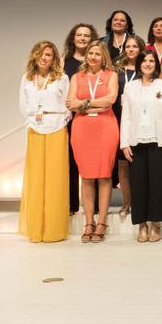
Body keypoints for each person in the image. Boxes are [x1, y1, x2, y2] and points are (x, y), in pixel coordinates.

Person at [119, 51, 162, 243]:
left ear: (156, 64)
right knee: (139, 185)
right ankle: (142, 225)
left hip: (159, 142)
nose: (148, 64)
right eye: (144, 61)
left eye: (151, 60)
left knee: (159, 185)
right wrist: (124, 143)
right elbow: (125, 116)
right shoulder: (130, 86)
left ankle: (155, 225)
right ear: (139, 64)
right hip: (136, 143)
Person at [66, 41, 119, 243]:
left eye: (97, 53)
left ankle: (102, 222)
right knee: (86, 176)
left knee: (105, 175)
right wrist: (89, 104)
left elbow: (110, 99)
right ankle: (89, 222)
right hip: (82, 129)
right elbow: (71, 103)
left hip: (106, 127)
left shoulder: (111, 75)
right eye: (90, 53)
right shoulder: (76, 77)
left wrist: (84, 103)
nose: (93, 57)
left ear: (103, 56)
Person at [19, 41, 70, 243]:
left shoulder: (62, 78)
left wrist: (61, 121)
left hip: (57, 128)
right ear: (34, 56)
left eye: (48, 54)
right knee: (36, 178)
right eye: (40, 54)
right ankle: (36, 229)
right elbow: (23, 104)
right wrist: (32, 120)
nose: (44, 58)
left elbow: (68, 105)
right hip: (35, 130)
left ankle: (53, 230)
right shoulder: (27, 78)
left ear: (54, 58)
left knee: (55, 179)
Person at [62, 23, 99, 215]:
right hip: (70, 118)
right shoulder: (63, 62)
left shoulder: (97, 61)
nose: (83, 38)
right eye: (79, 35)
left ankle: (95, 207)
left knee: (94, 162)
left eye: (86, 35)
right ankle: (71, 205)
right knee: (71, 162)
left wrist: (82, 105)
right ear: (73, 38)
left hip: (96, 120)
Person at [113, 35, 145, 217]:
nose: (131, 49)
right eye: (128, 46)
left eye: (135, 46)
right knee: (123, 164)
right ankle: (126, 203)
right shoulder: (117, 70)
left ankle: (140, 202)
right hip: (120, 118)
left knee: (138, 162)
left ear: (140, 48)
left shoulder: (146, 69)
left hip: (141, 120)